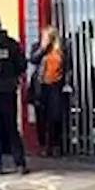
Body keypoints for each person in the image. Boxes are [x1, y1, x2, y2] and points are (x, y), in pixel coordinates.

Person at [0, 12, 28, 174]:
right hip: (9, 90)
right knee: (11, 127)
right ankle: (20, 162)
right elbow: (22, 65)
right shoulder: (12, 44)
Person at [28, 26, 69, 157]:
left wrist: (67, 82)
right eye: (43, 36)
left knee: (55, 116)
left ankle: (56, 144)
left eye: (47, 36)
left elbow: (68, 66)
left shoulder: (61, 49)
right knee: (41, 117)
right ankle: (44, 146)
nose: (44, 38)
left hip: (56, 86)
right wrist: (42, 48)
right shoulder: (37, 47)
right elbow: (33, 60)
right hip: (41, 86)